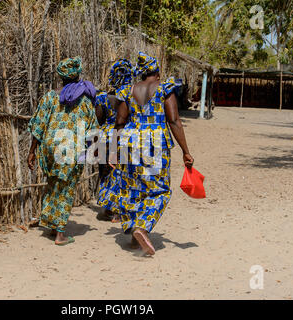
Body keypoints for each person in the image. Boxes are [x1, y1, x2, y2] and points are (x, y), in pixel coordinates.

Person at [111, 52, 194, 255]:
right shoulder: (164, 88)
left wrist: (113, 151)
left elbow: (119, 122)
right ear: (157, 72)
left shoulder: (128, 91)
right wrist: (185, 151)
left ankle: (133, 237)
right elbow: (174, 120)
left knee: (135, 188)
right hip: (155, 143)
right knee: (161, 190)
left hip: (130, 143)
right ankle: (142, 228)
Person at [27, 56, 98, 246]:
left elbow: (38, 126)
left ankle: (51, 225)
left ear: (61, 76)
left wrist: (32, 151)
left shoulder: (50, 97)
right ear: (77, 75)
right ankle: (60, 233)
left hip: (50, 148)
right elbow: (92, 130)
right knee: (66, 188)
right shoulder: (84, 100)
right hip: (71, 149)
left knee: (53, 185)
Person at [95, 59, 133, 223]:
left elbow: (98, 119)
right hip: (123, 136)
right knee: (122, 172)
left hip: (104, 137)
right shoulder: (131, 96)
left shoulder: (103, 97)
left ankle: (107, 208)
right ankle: (119, 210)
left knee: (105, 172)